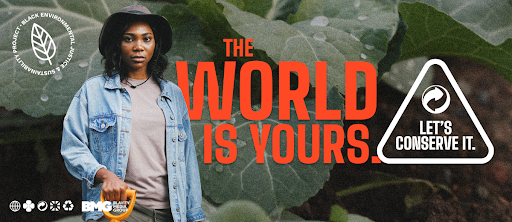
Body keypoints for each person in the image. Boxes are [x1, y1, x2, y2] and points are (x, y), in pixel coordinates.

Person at [61, 5, 205, 222]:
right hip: (119, 211)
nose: (138, 46)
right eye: (129, 39)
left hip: (171, 213)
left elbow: (187, 160)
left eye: (146, 39)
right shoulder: (93, 91)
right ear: (118, 44)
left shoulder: (173, 94)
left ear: (155, 45)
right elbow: (72, 147)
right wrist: (105, 175)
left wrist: (195, 216)